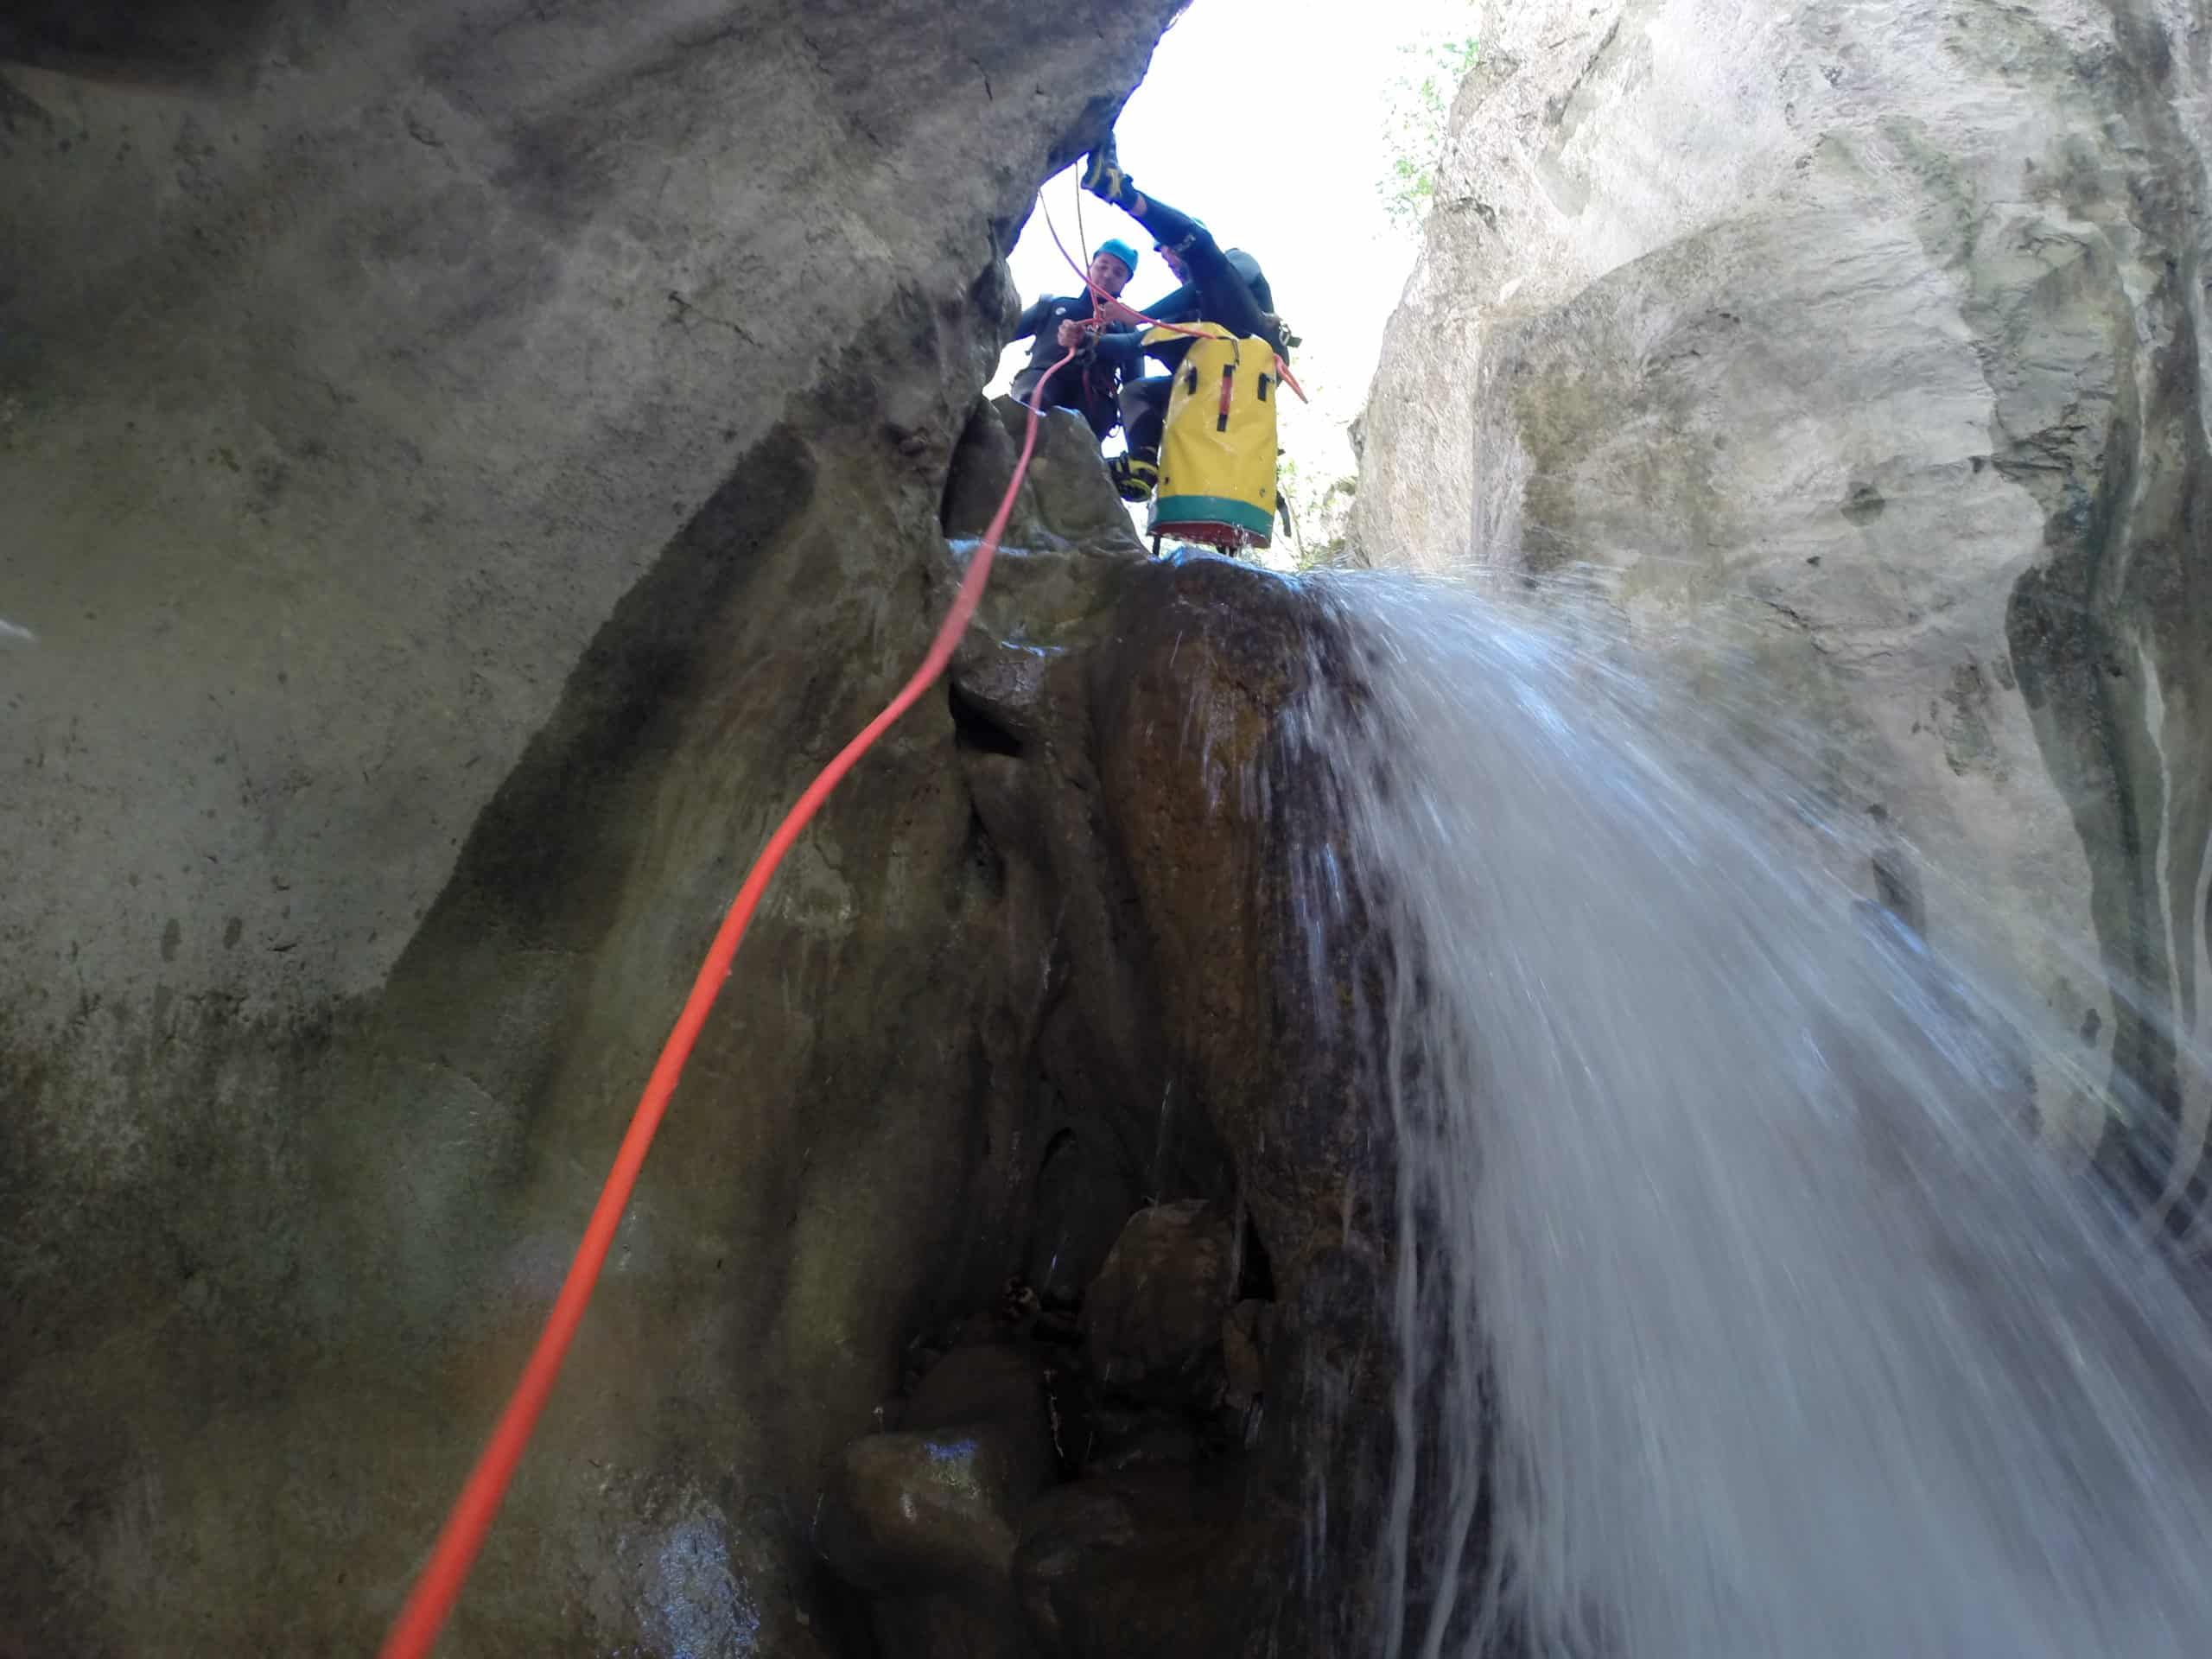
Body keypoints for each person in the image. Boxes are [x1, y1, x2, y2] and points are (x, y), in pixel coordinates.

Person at [1079, 137, 1287, 501]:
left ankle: (1120, 190)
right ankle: (1142, 465)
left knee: (1206, 261)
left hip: (1251, 352)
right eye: (1165, 255)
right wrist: (1086, 341)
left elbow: (1203, 283)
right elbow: (1133, 343)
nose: (1169, 260)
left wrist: (1137, 314)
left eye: (1172, 250)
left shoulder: (1237, 263)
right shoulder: (1179, 317)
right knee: (1137, 391)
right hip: (1210, 383)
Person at [1006, 239, 1141, 442]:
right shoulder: (1051, 306)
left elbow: (1135, 389)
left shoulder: (1127, 329)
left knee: (1085, 428)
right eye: (1102, 266)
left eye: (1118, 273)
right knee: (1034, 397)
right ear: (1090, 267)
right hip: (1042, 379)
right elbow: (1002, 331)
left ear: (1125, 283)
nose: (1107, 275)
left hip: (1093, 401)